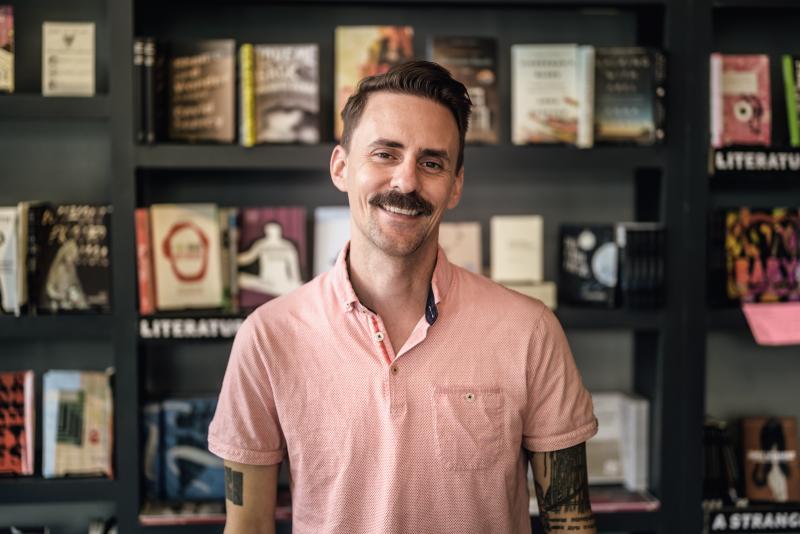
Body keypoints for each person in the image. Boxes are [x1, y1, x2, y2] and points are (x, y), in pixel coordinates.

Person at [208, 60, 598, 534]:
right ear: (340, 167)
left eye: (431, 163)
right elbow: (246, 528)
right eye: (385, 154)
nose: (407, 182)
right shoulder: (267, 338)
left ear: (455, 186)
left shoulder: (530, 331)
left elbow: (570, 524)